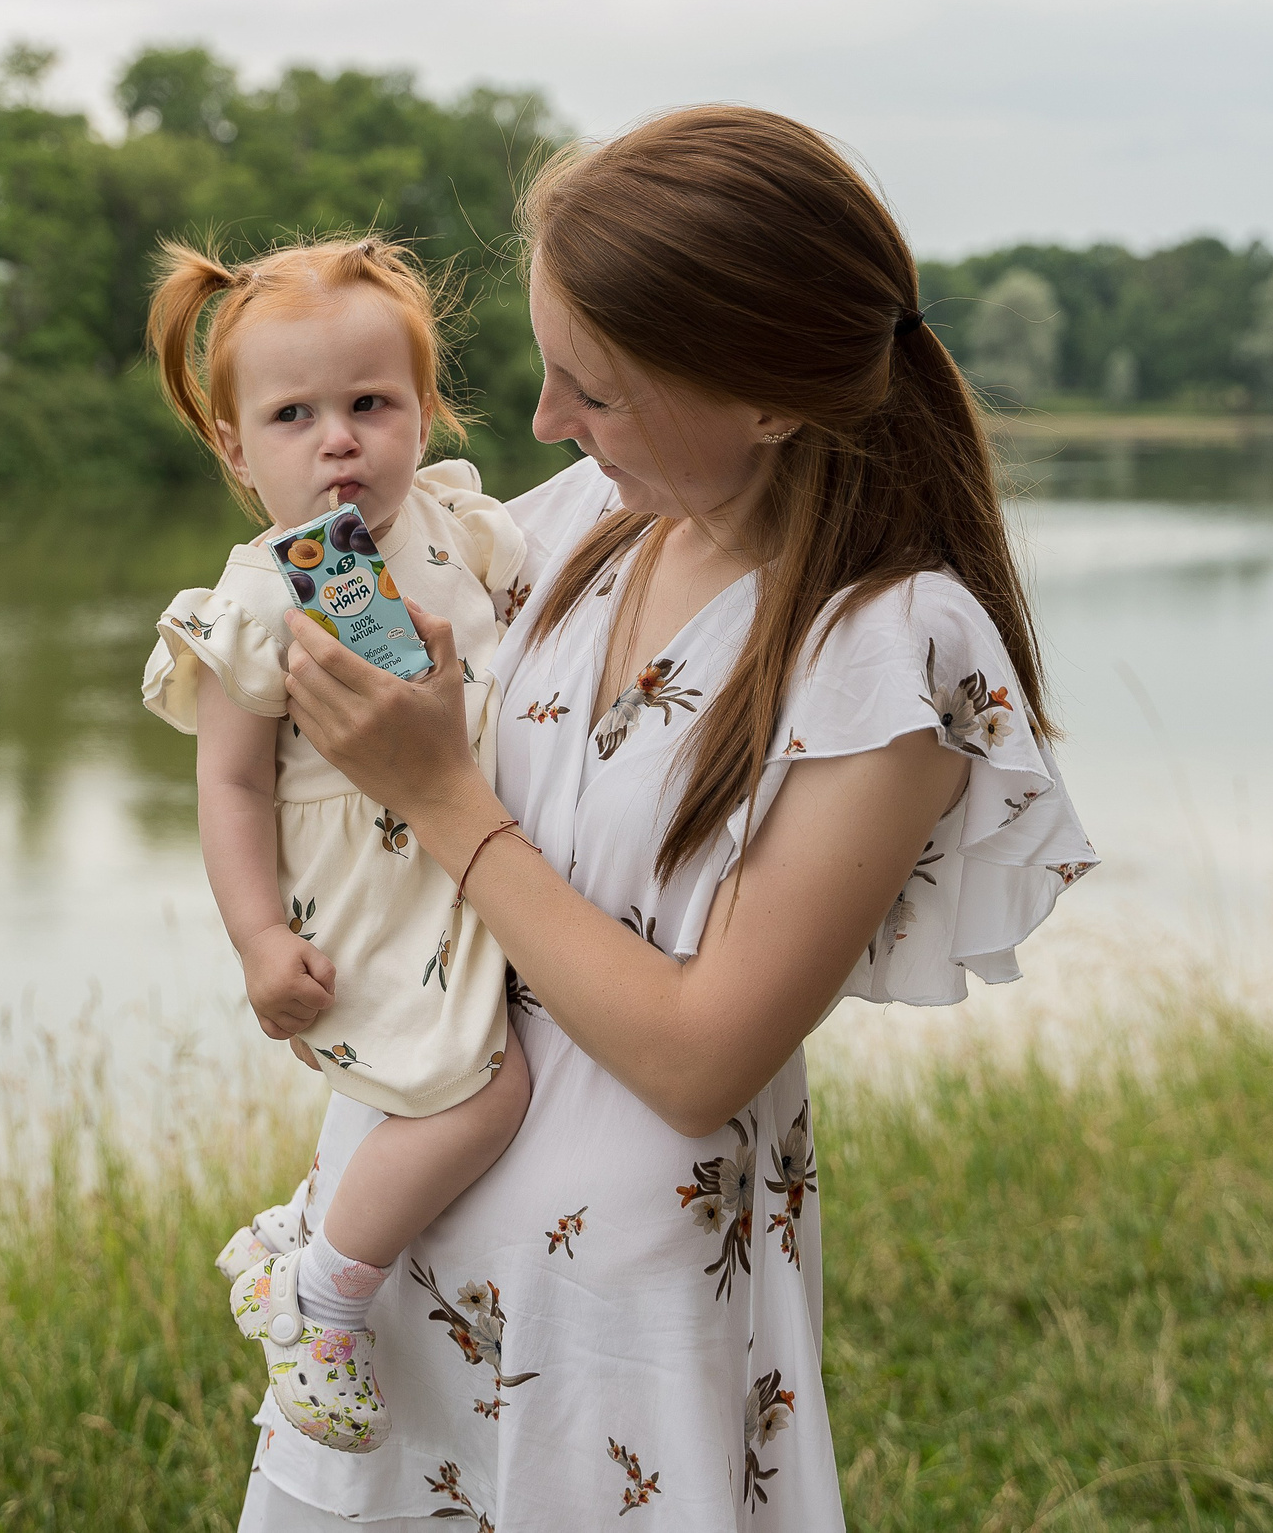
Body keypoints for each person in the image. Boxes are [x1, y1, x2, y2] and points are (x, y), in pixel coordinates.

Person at [233, 108, 1097, 1529]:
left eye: (599, 388)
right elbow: (348, 651)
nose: (546, 422)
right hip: (387, 1256)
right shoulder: (579, 517)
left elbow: (700, 1057)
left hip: (619, 1325)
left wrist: (442, 797)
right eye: (550, 368)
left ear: (766, 398)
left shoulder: (888, 652)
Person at [140, 236, 536, 1454]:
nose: (339, 440)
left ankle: (309, 1226)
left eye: (370, 404)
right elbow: (228, 787)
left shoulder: (458, 526)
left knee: (500, 1063)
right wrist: (259, 938)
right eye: (293, 415)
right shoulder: (255, 601)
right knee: (478, 1092)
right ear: (236, 447)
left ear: (423, 411)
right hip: (367, 897)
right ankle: (319, 1293)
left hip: (476, 864)